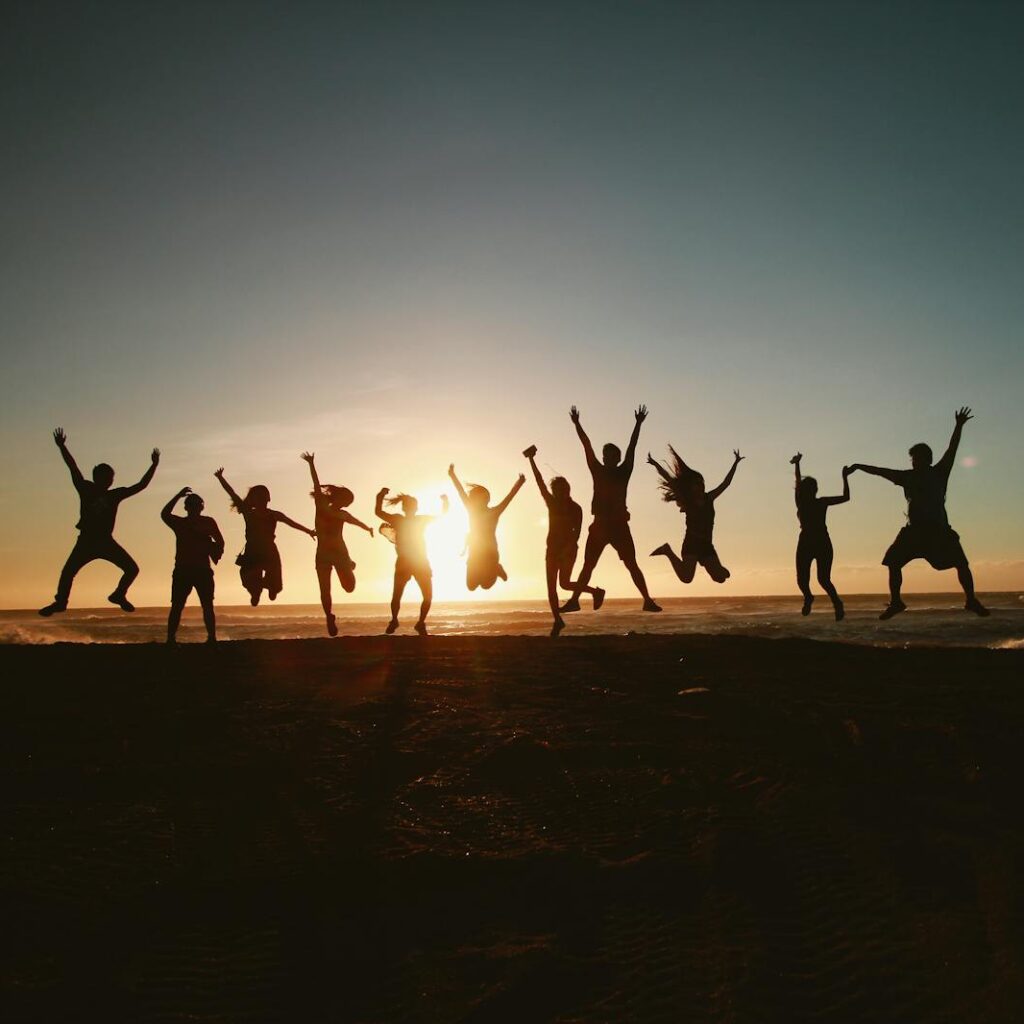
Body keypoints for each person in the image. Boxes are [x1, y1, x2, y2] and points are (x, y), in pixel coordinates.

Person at [849, 406, 988, 620]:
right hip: (913, 532)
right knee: (893, 563)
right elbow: (881, 472)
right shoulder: (906, 477)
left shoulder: (940, 472)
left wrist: (958, 426)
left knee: (962, 563)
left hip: (938, 530)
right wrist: (859, 466)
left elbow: (952, 449)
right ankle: (896, 602)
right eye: (912, 459)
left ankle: (971, 600)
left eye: (918, 458)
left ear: (928, 459)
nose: (914, 462)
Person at [40, 428, 160, 616]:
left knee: (131, 569)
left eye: (111, 478)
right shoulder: (86, 488)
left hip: (105, 541)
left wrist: (154, 465)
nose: (109, 481)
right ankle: (61, 602)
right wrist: (62, 447)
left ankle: (119, 595)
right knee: (68, 572)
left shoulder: (114, 494)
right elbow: (73, 467)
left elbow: (141, 485)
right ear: (98, 478)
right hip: (87, 540)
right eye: (107, 477)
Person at [560, 405, 661, 613]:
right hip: (599, 525)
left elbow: (632, 448)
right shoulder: (597, 470)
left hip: (619, 526)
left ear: (617, 457)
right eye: (605, 454)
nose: (606, 457)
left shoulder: (624, 471)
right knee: (588, 566)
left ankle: (647, 600)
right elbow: (586, 445)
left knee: (632, 564)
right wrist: (577, 424)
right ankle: (574, 600)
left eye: (611, 455)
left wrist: (638, 424)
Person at [523, 445, 605, 636]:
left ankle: (595, 592)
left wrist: (567, 549)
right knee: (552, 587)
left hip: (568, 550)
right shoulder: (551, 503)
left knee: (565, 584)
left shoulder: (576, 508)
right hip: (551, 549)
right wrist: (531, 460)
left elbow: (577, 533)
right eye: (557, 490)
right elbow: (539, 482)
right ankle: (558, 621)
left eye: (563, 489)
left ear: (568, 489)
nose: (560, 492)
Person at [214, 467, 315, 606]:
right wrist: (220, 478)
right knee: (249, 580)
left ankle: (270, 588)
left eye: (264, 496)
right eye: (258, 496)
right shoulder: (249, 513)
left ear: (268, 498)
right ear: (254, 500)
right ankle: (256, 592)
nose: (262, 499)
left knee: (275, 582)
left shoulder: (274, 514)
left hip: (268, 550)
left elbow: (292, 523)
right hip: (253, 550)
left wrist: (308, 531)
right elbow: (232, 493)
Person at [300, 452, 374, 636]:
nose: (346, 505)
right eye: (346, 501)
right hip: (323, 555)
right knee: (325, 590)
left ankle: (348, 565)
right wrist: (311, 464)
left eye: (348, 503)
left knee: (349, 587)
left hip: (340, 553)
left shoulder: (343, 514)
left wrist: (367, 529)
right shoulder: (321, 506)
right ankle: (329, 617)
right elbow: (316, 485)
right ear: (339, 498)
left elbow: (356, 521)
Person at [648, 446, 744, 586]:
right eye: (697, 484)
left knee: (720, 578)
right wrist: (655, 464)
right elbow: (668, 478)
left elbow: (725, 484)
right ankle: (667, 551)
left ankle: (709, 564)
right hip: (691, 543)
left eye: (701, 483)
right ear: (690, 487)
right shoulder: (688, 501)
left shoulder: (709, 498)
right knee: (686, 578)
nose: (700, 486)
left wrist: (735, 463)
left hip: (706, 545)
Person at [376, 487, 448, 635]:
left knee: (415, 595)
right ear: (411, 507)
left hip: (417, 562)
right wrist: (445, 502)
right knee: (415, 595)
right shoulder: (404, 519)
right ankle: (404, 621)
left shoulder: (409, 519)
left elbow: (442, 515)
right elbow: (443, 515)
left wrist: (380, 496)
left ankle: (413, 623)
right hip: (411, 562)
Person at [790, 453, 850, 620]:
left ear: (815, 490)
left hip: (822, 542)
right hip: (806, 542)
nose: (808, 491)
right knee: (802, 579)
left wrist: (844, 478)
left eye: (811, 489)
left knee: (823, 579)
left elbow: (846, 497)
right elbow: (797, 482)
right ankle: (808, 597)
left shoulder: (821, 502)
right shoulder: (800, 502)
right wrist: (797, 465)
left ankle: (837, 603)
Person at [161, 486, 224, 643]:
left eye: (197, 505)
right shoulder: (181, 523)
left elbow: (220, 541)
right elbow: (164, 514)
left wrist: (214, 549)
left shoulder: (206, 522)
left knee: (204, 605)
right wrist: (177, 495)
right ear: (188, 507)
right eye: (193, 505)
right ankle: (171, 638)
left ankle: (211, 637)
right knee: (179, 606)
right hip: (185, 569)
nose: (196, 508)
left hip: (199, 569)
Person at [447, 463, 525, 591]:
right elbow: (460, 492)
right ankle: (494, 569)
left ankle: (496, 568)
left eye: (482, 497)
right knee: (471, 586)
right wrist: (452, 475)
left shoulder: (494, 512)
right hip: (475, 552)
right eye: (474, 498)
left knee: (486, 585)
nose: (475, 500)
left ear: (487, 499)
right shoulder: (471, 510)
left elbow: (509, 498)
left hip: (490, 553)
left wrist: (519, 483)